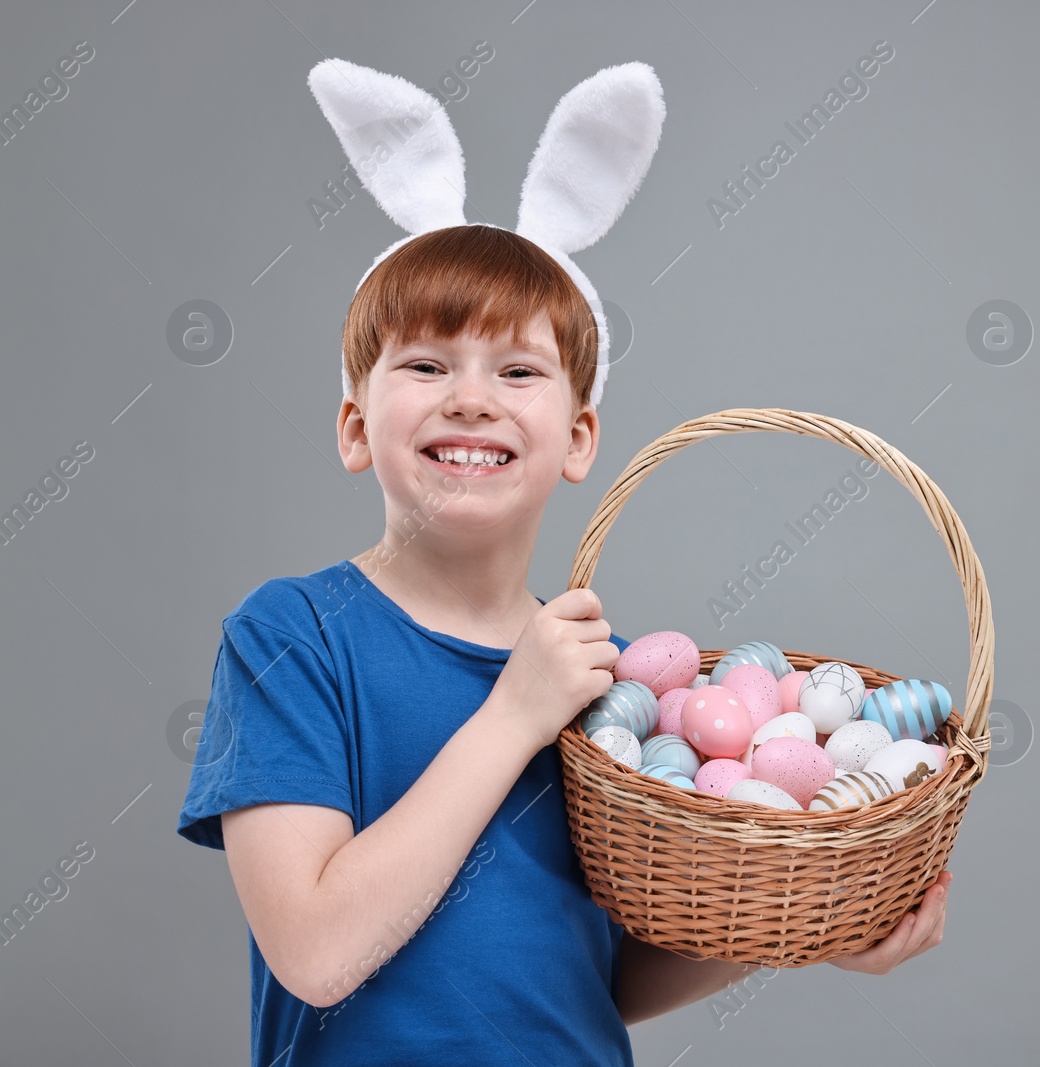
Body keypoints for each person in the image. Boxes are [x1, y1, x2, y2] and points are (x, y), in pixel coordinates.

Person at [176, 223, 951, 1066]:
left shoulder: (612, 682)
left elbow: (602, 977)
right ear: (357, 428)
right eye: (427, 365)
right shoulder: (294, 636)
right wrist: (513, 717)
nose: (471, 397)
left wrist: (794, 924)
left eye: (517, 371)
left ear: (579, 438)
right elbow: (318, 953)